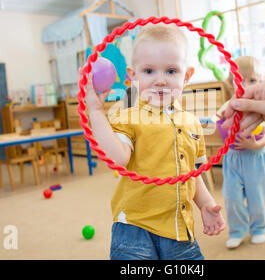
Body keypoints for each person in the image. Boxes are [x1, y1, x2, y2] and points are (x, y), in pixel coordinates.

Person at [83, 24, 225, 260]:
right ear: (133, 76)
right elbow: (117, 159)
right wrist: (96, 112)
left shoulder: (191, 122)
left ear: (186, 76)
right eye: (149, 71)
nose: (160, 80)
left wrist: (206, 204)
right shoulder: (127, 113)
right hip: (134, 228)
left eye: (171, 71)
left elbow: (191, 173)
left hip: (179, 227)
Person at [217, 56, 265, 249]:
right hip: (232, 159)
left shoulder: (263, 108)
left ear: (261, 83)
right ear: (231, 83)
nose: (245, 85)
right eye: (240, 79)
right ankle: (237, 231)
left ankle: (258, 229)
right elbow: (222, 130)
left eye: (252, 80)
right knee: (231, 196)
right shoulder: (227, 107)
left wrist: (255, 145)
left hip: (256, 159)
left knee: (257, 197)